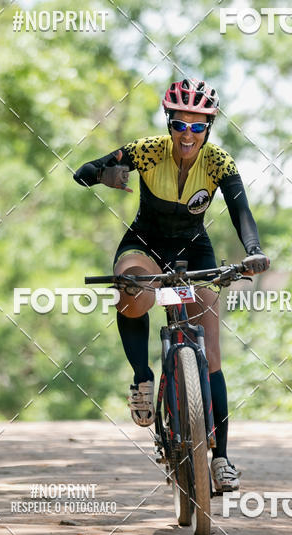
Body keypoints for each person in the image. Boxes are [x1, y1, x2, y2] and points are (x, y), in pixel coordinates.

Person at [74, 77, 269, 493]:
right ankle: (143, 378)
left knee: (211, 354)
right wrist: (103, 175)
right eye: (180, 124)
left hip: (194, 250)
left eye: (197, 127)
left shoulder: (218, 163)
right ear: (169, 123)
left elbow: (242, 211)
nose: (187, 135)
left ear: (208, 128)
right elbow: (83, 172)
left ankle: (221, 459)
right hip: (144, 245)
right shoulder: (147, 151)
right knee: (131, 288)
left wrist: (253, 250)